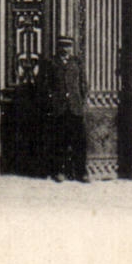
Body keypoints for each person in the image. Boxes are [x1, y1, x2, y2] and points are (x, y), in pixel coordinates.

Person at [50, 36, 88, 182]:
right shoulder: (51, 63)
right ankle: (60, 172)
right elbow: (46, 85)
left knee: (79, 141)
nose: (65, 49)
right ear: (58, 47)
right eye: (63, 46)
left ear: (72, 48)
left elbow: (83, 84)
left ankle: (81, 172)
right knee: (60, 141)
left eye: (68, 46)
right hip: (59, 108)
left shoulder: (77, 62)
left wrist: (82, 101)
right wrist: (52, 100)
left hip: (75, 107)